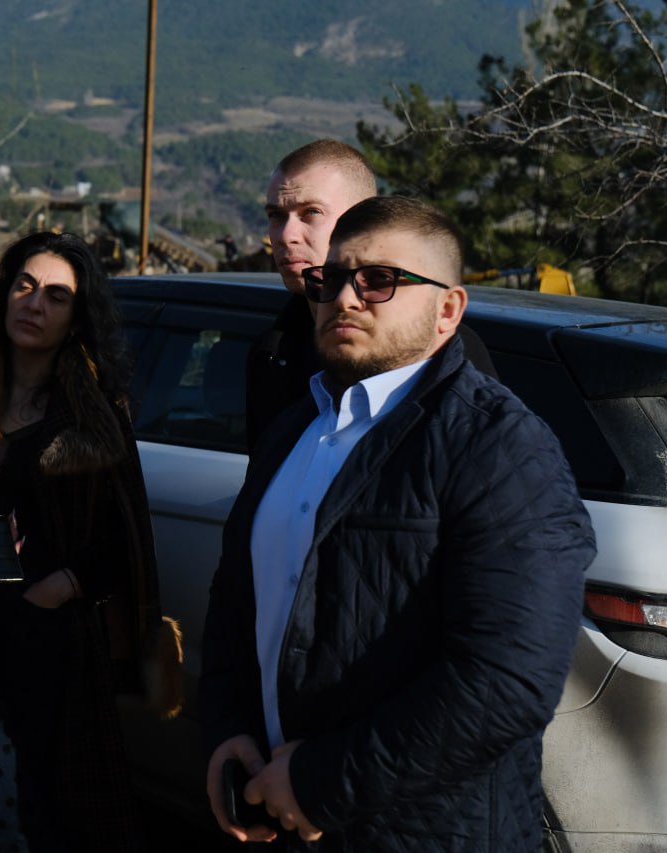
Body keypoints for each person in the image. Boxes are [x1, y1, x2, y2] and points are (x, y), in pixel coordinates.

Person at [200, 196, 595, 850]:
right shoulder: (294, 429)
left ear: (449, 310)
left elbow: (507, 679)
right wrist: (226, 727)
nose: (344, 298)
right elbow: (235, 599)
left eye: (379, 280)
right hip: (279, 816)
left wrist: (321, 781)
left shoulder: (500, 445)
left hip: (425, 832)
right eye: (331, 278)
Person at [0, 231, 173, 852]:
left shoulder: (92, 412)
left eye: (57, 296)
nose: (34, 304)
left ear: (77, 318)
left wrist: (62, 586)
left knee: (50, 802)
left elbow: (124, 534)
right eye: (24, 286)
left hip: (49, 638)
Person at [246, 139, 495, 449]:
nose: (286, 236)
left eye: (311, 212)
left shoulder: (439, 351)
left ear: (363, 220)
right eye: (276, 215)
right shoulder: (272, 354)